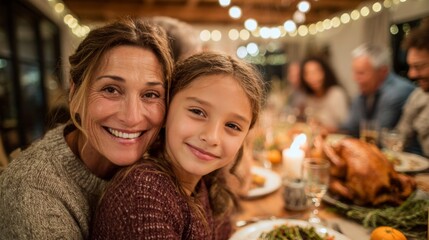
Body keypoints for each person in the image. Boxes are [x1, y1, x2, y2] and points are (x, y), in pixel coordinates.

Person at [0, 17, 173, 239]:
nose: (132, 117)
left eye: (150, 94)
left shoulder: (158, 159)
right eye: (111, 89)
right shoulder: (32, 192)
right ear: (74, 93)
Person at [90, 52, 266, 239]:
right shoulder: (144, 194)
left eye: (232, 126)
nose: (212, 137)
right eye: (197, 112)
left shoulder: (207, 180)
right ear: (166, 109)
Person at [340, 43, 415, 138]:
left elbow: (378, 137)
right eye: (355, 72)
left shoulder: (397, 92)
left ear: (382, 71)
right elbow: (349, 128)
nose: (354, 78)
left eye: (361, 73)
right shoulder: (366, 91)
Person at [395, 19, 429, 157]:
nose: (411, 74)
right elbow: (399, 137)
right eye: (410, 66)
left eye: (419, 66)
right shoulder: (418, 96)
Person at [299, 56, 349, 132]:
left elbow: (348, 128)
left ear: (324, 72)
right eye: (308, 73)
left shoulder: (336, 94)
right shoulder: (309, 98)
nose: (312, 77)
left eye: (316, 72)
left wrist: (325, 128)